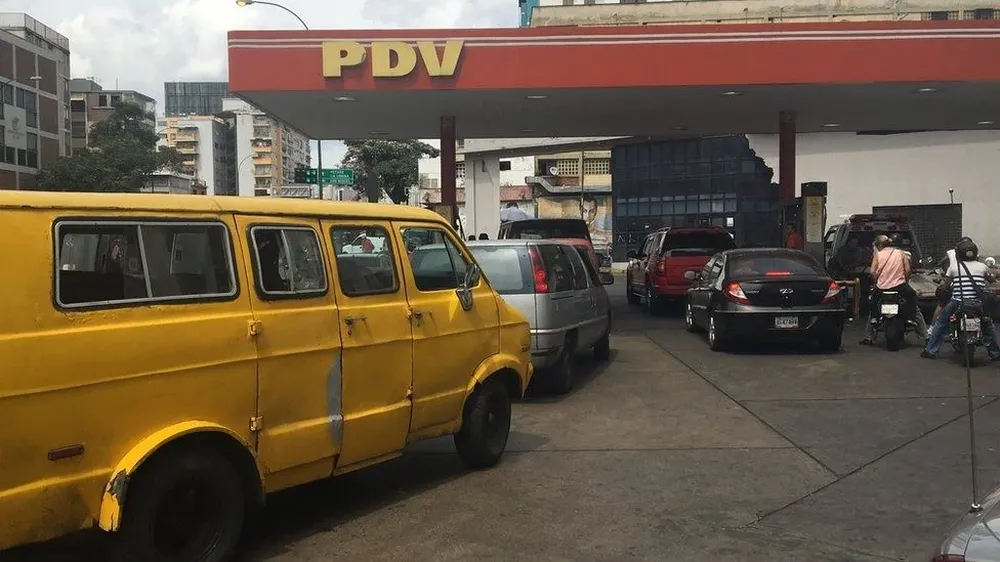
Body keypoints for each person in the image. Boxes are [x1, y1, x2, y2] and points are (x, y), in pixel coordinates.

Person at [922, 238, 1000, 361]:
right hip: (978, 303)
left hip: (957, 302)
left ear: (958, 253)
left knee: (941, 323)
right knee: (987, 325)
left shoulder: (953, 267)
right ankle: (995, 353)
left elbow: (945, 287)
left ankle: (931, 350)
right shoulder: (983, 267)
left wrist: (941, 289)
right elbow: (991, 281)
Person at [861, 234, 916, 345]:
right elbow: (908, 270)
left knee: (873, 300)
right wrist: (906, 279)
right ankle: (910, 319)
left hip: (882, 287)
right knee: (912, 295)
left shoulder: (878, 255)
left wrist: (877, 281)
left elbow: (872, 272)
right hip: (899, 286)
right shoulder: (901, 254)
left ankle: (875, 318)